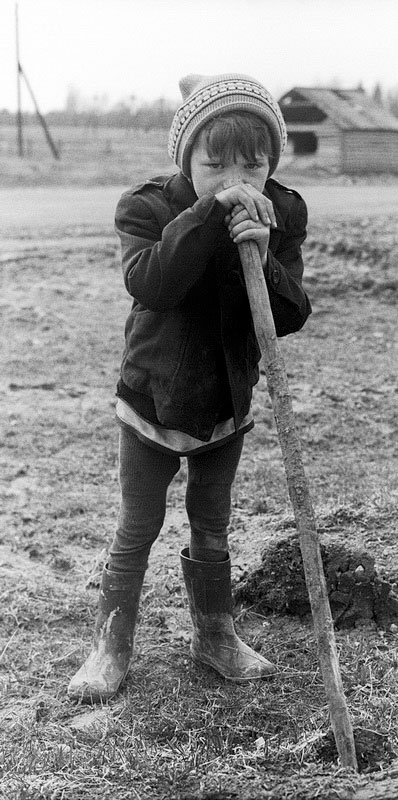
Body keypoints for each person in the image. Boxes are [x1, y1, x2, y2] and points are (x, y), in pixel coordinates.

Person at [68, 73, 312, 702]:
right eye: (215, 164)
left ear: (271, 163)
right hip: (152, 400)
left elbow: (289, 315)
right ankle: (111, 646)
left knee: (212, 525)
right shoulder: (146, 207)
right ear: (187, 160)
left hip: (225, 403)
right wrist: (207, 215)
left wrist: (265, 254)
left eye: (252, 164)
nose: (236, 178)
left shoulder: (281, 211)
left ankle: (216, 636)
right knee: (137, 525)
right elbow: (152, 284)